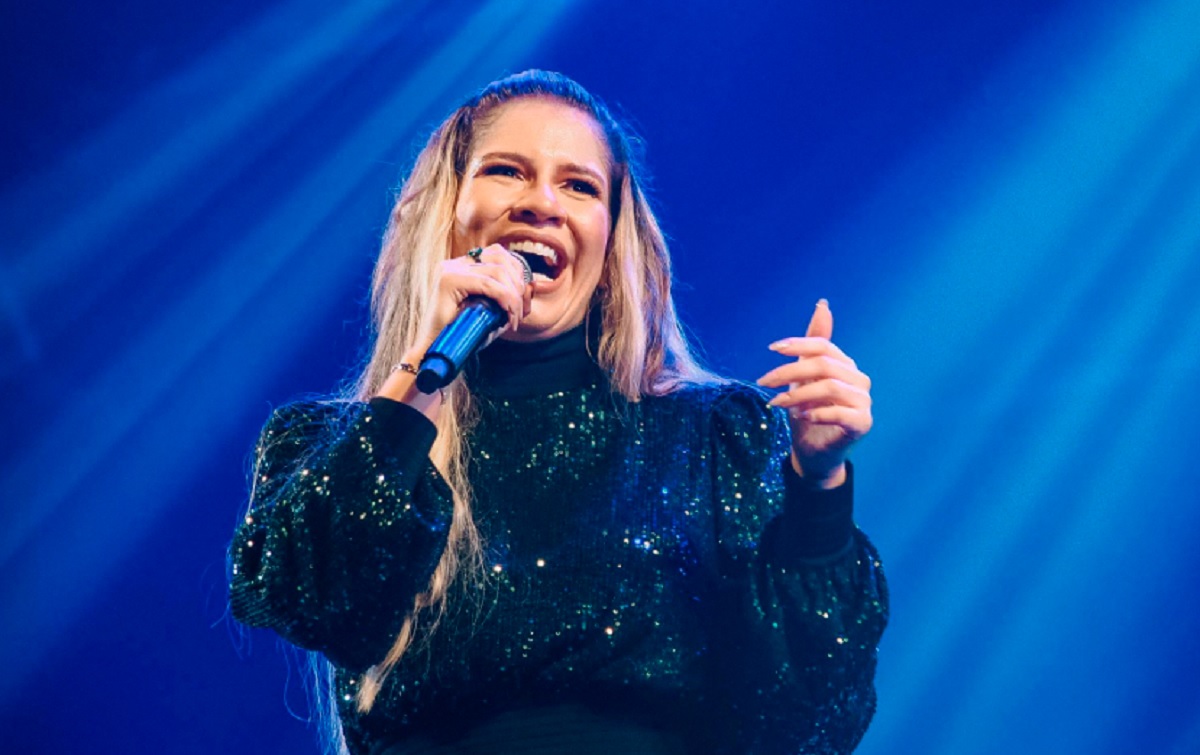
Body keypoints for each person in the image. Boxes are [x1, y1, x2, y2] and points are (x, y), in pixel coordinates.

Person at [229, 70, 887, 755]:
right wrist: (419, 378)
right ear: (446, 210)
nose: (541, 203)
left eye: (579, 185)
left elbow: (812, 711)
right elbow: (307, 596)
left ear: (610, 241)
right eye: (507, 171)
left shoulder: (713, 438)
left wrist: (817, 484)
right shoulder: (332, 444)